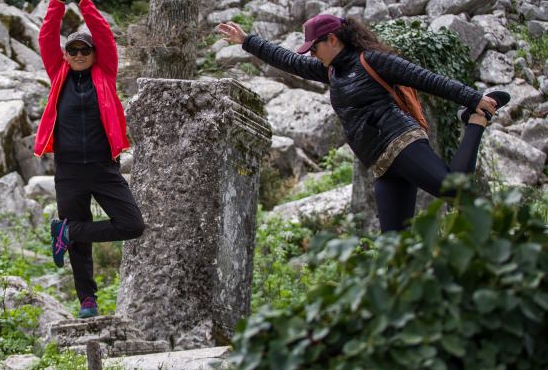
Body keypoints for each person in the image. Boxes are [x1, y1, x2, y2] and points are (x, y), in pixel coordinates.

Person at [218, 15, 509, 233]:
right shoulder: (332, 70)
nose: (311, 54)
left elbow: (426, 79)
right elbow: (289, 61)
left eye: (314, 47)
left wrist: (473, 99)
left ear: (332, 39)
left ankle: (476, 119)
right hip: (381, 165)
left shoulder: (372, 60)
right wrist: (247, 41)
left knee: (452, 189)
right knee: (396, 248)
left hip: (401, 142)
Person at [35, 0, 145, 318]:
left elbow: (104, 33)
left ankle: (67, 231)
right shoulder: (58, 73)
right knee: (79, 248)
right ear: (66, 55)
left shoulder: (106, 72)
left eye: (85, 50)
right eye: (74, 50)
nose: (80, 54)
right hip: (68, 169)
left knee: (132, 224)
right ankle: (87, 301)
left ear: (95, 54)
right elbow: (46, 37)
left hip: (102, 166)